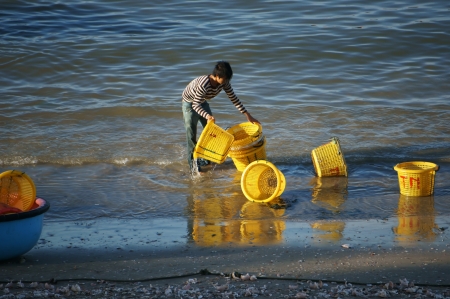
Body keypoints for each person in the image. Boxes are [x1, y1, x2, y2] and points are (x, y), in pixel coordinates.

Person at [182, 61, 260, 173]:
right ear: (217, 76)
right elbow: (195, 105)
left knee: (211, 134)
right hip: (189, 104)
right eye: (225, 78)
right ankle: (193, 167)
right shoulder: (203, 85)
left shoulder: (224, 83)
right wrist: (207, 115)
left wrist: (248, 115)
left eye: (228, 79)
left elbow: (234, 98)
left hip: (202, 101)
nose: (226, 82)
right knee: (191, 136)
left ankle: (206, 160)